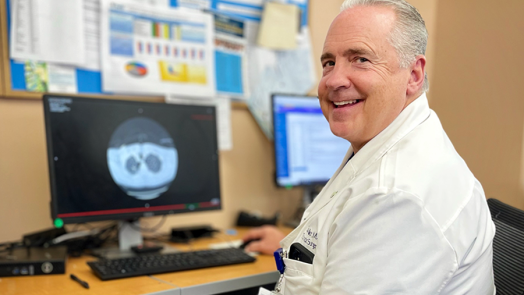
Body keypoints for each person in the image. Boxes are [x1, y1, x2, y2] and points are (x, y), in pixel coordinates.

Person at [242, 0, 496, 294]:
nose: (334, 80)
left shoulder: (396, 197)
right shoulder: (383, 144)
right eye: (329, 63)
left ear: (413, 75)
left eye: (360, 59)